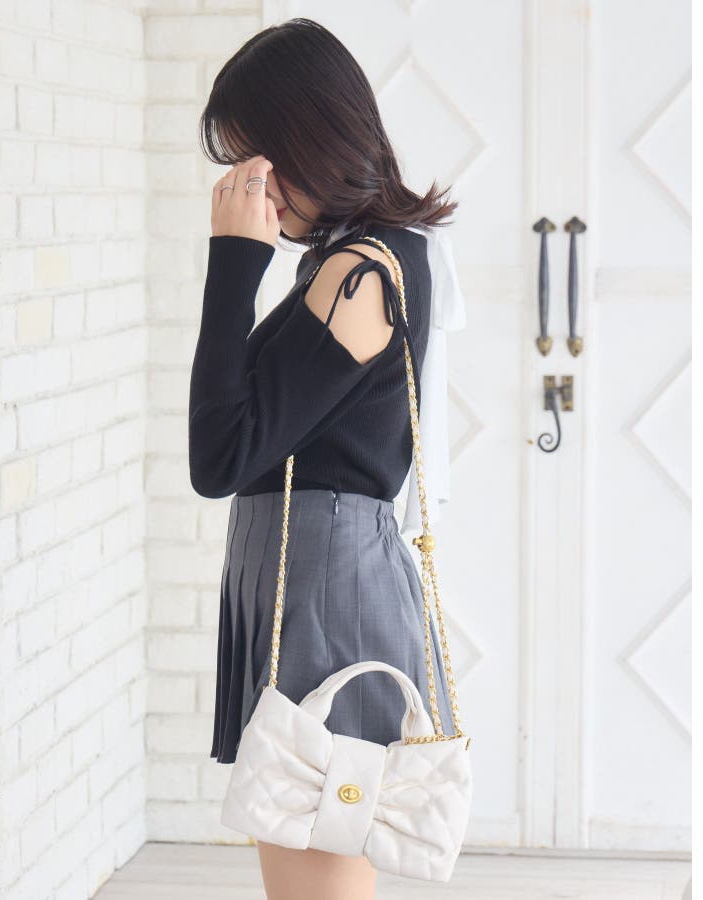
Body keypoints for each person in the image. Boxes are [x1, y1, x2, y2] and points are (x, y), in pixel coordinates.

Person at [188, 18, 460, 900]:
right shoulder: (357, 262)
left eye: (259, 159)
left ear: (310, 138)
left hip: (324, 591)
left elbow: (220, 454)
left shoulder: (361, 275)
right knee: (308, 861)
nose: (253, 187)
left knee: (315, 876)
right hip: (309, 578)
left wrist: (235, 261)